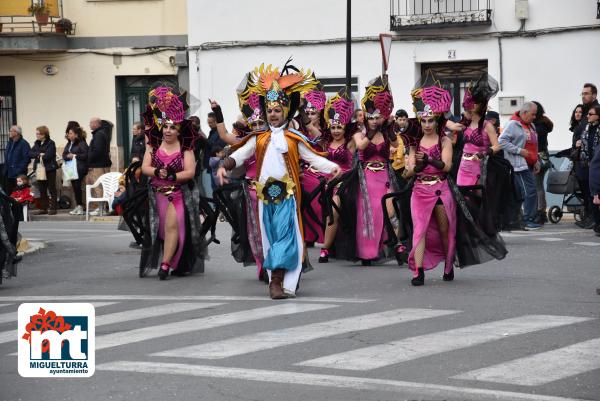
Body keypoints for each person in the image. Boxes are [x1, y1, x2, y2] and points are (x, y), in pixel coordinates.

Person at [217, 61, 341, 299]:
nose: (273, 114)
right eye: (270, 111)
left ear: (286, 112)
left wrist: (333, 167)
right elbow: (239, 155)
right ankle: (280, 278)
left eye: (277, 111)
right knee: (271, 239)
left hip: (287, 196)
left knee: (285, 236)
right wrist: (224, 166)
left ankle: (276, 282)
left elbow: (313, 158)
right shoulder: (259, 138)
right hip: (265, 198)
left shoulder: (294, 138)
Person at [137, 84, 206, 279]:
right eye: (165, 127)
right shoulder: (153, 145)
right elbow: (145, 168)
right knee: (160, 231)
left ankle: (165, 264)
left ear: (178, 129)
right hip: (156, 194)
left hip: (177, 195)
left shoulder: (186, 148)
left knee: (172, 227)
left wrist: (173, 176)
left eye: (172, 127)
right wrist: (158, 171)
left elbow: (190, 172)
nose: (168, 131)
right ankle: (171, 258)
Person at [404, 81, 457, 286]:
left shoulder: (444, 141)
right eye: (424, 120)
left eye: (431, 120)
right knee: (420, 230)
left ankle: (448, 264)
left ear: (437, 121)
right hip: (419, 190)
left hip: (440, 190)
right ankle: (418, 271)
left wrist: (428, 161)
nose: (427, 124)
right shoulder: (413, 144)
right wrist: (417, 166)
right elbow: (408, 172)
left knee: (444, 229)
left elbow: (446, 167)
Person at [318, 89, 356, 263]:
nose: (336, 130)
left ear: (345, 126)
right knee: (328, 213)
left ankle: (325, 248)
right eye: (333, 127)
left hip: (345, 185)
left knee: (334, 209)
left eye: (339, 127)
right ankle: (329, 245)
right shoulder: (326, 142)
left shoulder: (351, 142)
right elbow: (311, 128)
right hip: (327, 184)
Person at [499, 102, 542, 230]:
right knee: (530, 191)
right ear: (524, 113)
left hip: (529, 163)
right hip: (519, 165)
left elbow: (533, 145)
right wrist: (519, 151)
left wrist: (536, 161)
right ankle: (526, 220)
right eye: (532, 114)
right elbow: (501, 141)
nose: (534, 117)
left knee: (525, 192)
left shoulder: (531, 126)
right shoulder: (513, 124)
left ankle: (518, 219)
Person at [457, 73, 501, 187]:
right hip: (463, 166)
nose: (465, 109)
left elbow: (497, 146)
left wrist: (483, 154)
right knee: (463, 199)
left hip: (479, 167)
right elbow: (449, 126)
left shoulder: (487, 125)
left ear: (476, 106)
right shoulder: (465, 123)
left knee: (478, 200)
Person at [573, 104, 600, 229]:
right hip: (586, 164)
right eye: (587, 114)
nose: (587, 116)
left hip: (597, 165)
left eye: (590, 114)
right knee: (590, 194)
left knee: (596, 194)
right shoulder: (587, 128)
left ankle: (596, 221)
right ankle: (594, 219)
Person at [532, 101, 554, 224]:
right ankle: (540, 212)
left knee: (537, 186)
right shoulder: (543, 124)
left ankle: (540, 212)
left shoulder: (538, 126)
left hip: (539, 159)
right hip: (544, 157)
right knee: (538, 186)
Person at [30, 126, 58, 215]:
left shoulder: (51, 143)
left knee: (51, 188)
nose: (36, 135)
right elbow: (30, 153)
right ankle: (44, 208)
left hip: (50, 169)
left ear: (44, 134)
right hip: (39, 169)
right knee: (42, 189)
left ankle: (53, 208)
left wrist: (39, 154)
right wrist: (39, 154)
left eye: (38, 134)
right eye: (36, 133)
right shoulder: (37, 143)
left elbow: (48, 155)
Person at [87, 117, 112, 216]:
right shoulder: (103, 133)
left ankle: (101, 208)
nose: (89, 125)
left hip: (98, 165)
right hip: (103, 163)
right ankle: (104, 207)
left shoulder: (98, 135)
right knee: (104, 186)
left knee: (99, 186)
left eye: (91, 123)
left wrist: (89, 160)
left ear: (97, 124)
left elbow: (97, 151)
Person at [62, 125, 89, 215]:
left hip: (79, 168)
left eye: (70, 133)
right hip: (71, 168)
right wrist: (67, 156)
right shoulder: (69, 143)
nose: (68, 135)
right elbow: (64, 154)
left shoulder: (81, 143)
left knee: (78, 187)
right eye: (68, 133)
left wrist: (74, 155)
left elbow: (85, 155)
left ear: (76, 134)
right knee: (74, 187)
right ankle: (78, 205)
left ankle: (81, 206)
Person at [3, 125, 30, 195]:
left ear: (16, 133)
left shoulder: (24, 144)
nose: (9, 132)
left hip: (19, 175)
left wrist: (18, 170)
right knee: (8, 194)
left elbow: (26, 159)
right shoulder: (10, 143)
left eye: (11, 131)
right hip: (8, 173)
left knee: (19, 194)